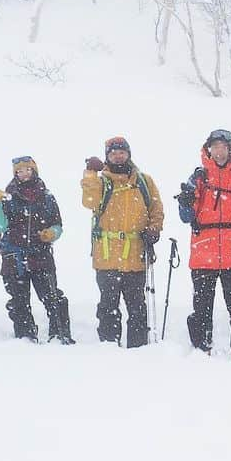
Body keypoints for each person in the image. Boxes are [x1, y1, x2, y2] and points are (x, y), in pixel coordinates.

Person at [177, 129, 231, 356]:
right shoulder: (198, 178)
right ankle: (201, 349)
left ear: (230, 149)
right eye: (215, 146)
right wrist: (185, 202)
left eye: (224, 147)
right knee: (202, 308)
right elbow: (185, 217)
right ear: (209, 149)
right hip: (203, 253)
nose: (220, 151)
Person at [81, 137, 164, 347]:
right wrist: (90, 173)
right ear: (107, 157)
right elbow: (88, 201)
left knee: (137, 307)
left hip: (136, 256)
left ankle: (138, 349)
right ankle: (109, 348)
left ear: (128, 154)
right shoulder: (101, 182)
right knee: (108, 307)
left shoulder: (144, 182)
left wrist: (154, 229)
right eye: (113, 153)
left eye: (122, 152)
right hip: (107, 258)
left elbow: (157, 210)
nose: (118, 156)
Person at [0, 155, 74, 344]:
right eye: (19, 171)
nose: (24, 174)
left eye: (27, 169)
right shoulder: (7, 197)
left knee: (51, 296)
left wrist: (51, 233)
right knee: (19, 301)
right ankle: (25, 336)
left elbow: (58, 225)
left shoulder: (47, 197)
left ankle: (60, 334)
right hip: (13, 256)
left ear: (34, 170)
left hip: (41, 255)